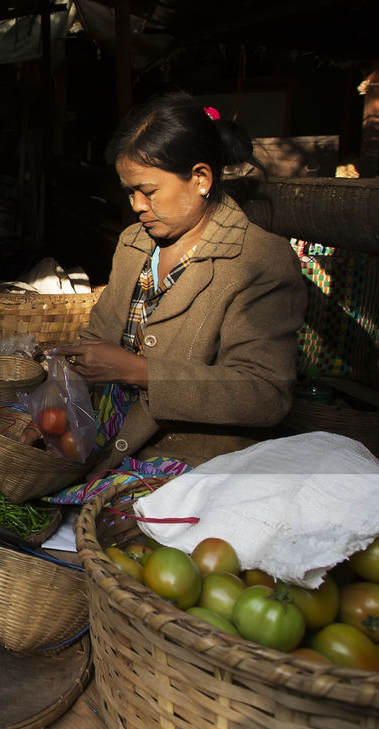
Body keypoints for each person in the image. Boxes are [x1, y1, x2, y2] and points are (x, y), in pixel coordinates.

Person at [58, 91, 307, 471]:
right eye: (130, 192)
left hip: (192, 462)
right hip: (110, 436)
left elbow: (264, 393)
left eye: (149, 191)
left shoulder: (258, 260)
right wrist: (59, 408)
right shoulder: (134, 243)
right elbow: (98, 337)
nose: (137, 205)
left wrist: (138, 371)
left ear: (201, 179)